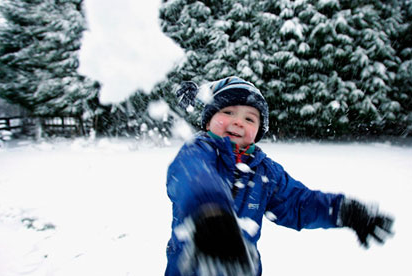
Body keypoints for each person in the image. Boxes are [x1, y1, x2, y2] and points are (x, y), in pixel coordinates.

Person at [165, 76, 394, 276]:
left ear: (258, 132)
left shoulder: (265, 171)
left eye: (249, 119)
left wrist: (344, 211)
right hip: (189, 269)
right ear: (208, 121)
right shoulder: (198, 151)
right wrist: (210, 214)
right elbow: (193, 179)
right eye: (228, 112)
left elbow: (298, 203)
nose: (238, 122)